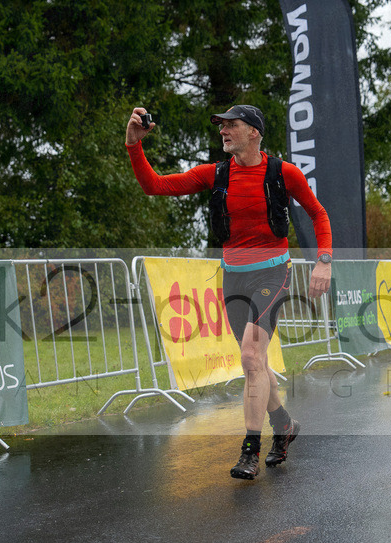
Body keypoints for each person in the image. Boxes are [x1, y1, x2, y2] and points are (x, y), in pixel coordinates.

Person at [125, 104, 333, 480]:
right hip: (233, 276)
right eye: (221, 126)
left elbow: (318, 214)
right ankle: (283, 423)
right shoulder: (216, 174)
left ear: (254, 132)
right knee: (258, 363)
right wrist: (134, 146)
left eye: (231, 125)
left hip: (273, 272)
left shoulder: (283, 173)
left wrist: (323, 260)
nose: (223, 131)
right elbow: (154, 186)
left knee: (251, 357)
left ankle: (250, 451)